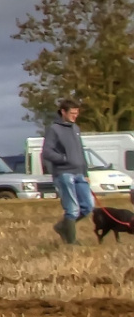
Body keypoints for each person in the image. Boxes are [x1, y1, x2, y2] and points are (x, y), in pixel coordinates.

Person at [44, 98, 92, 245]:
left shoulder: (75, 129)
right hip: (64, 174)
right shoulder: (54, 129)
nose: (75, 116)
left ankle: (62, 226)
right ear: (63, 112)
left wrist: (85, 173)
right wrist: (65, 158)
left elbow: (80, 151)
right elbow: (47, 152)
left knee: (88, 206)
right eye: (72, 113)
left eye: (76, 113)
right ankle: (71, 242)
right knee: (72, 208)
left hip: (79, 173)